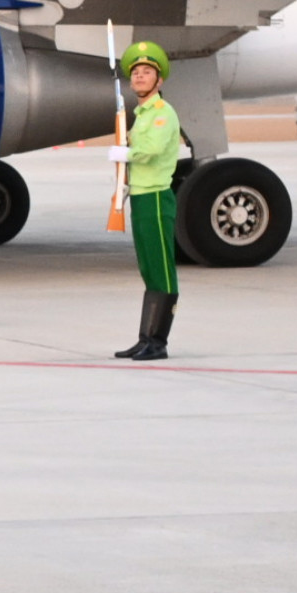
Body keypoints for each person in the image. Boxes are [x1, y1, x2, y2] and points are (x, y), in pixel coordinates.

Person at [111, 41, 182, 360]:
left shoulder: (162, 113)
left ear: (159, 80)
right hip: (140, 196)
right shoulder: (140, 114)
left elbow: (152, 149)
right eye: (136, 72)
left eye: (147, 72)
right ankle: (146, 338)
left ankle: (158, 342)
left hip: (155, 196)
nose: (140, 76)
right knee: (148, 268)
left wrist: (127, 152)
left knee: (161, 269)